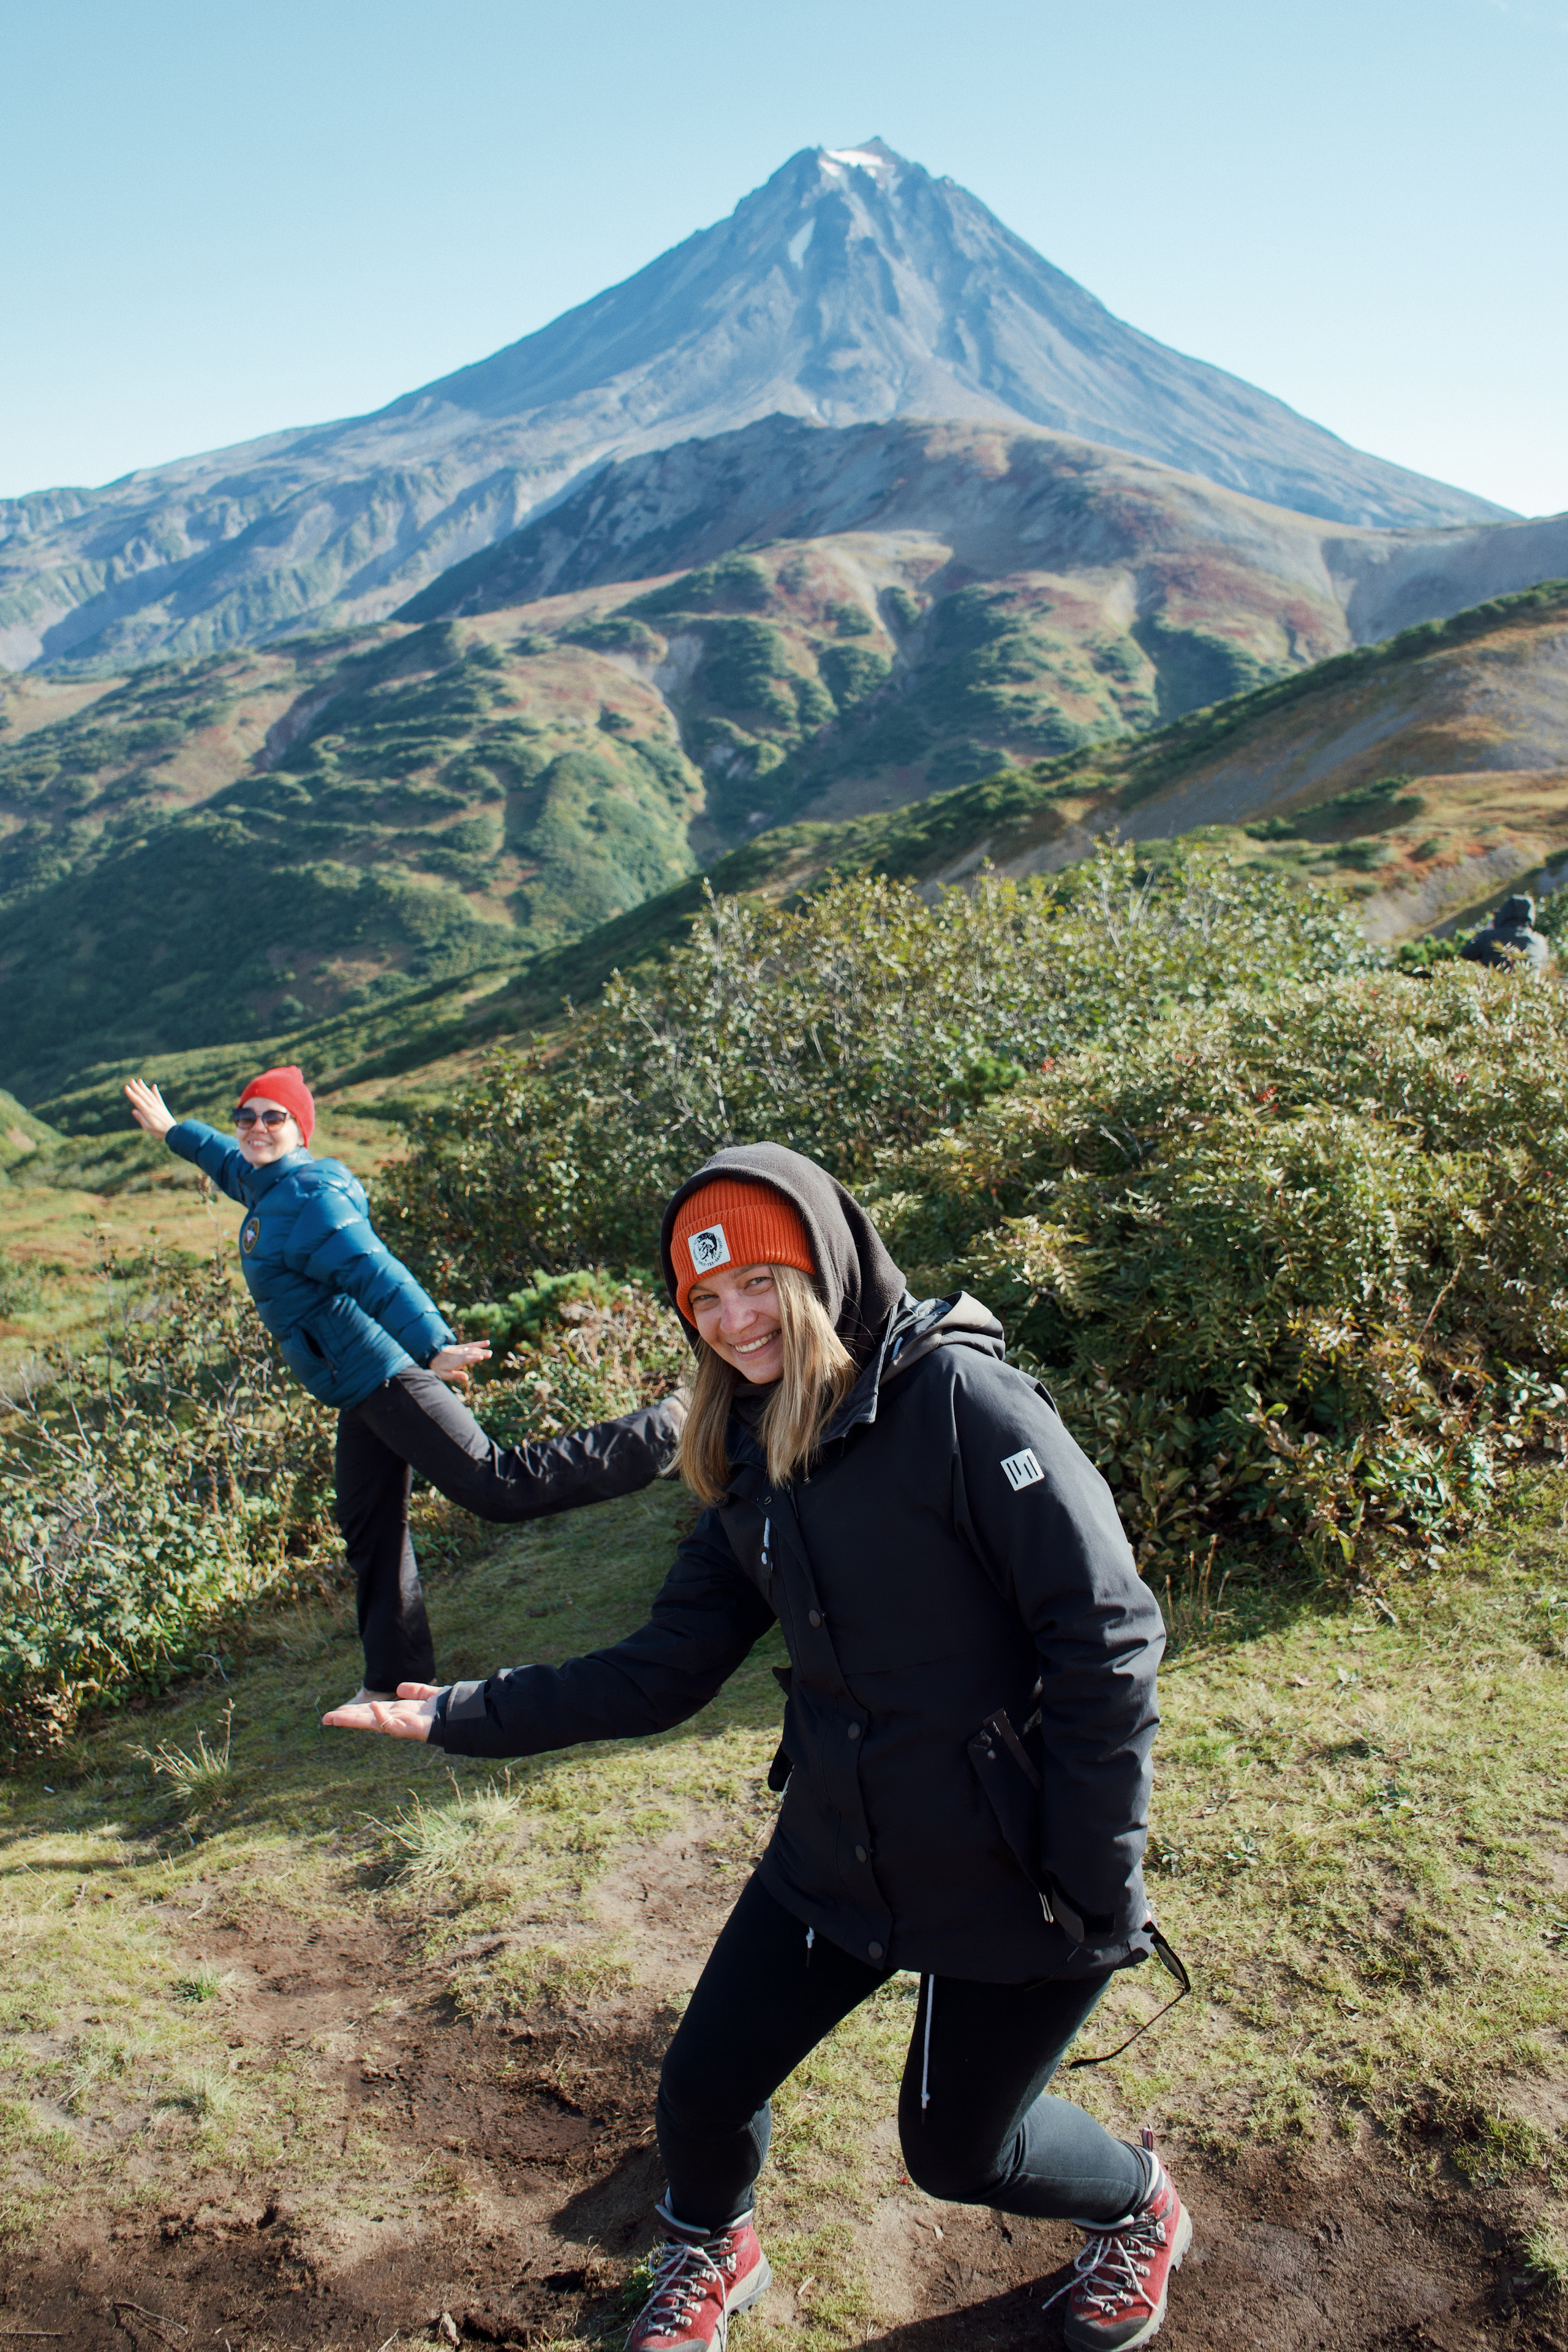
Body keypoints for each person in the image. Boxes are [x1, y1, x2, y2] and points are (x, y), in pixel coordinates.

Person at [323, 1143, 1188, 2352]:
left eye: (756, 1287)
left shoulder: (961, 1406)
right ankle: (709, 2244)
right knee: (702, 2089)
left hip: (1020, 1865)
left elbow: (1103, 1637)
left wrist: (1097, 1875)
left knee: (959, 2150)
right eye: (703, 1301)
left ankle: (1140, 2212)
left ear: (823, 1274)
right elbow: (664, 1667)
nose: (733, 1324)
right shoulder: (744, 1452)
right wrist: (459, 1710)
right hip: (837, 1843)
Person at [125, 1066, 685, 1706]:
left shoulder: (310, 1200)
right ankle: (396, 1685)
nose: (255, 1128)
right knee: (370, 1527)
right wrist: (173, 1130)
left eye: (272, 1117)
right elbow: (226, 1161)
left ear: (299, 1129)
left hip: (388, 1374)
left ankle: (666, 1432)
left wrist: (431, 1343)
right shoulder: (266, 1188)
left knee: (497, 1486)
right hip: (357, 1391)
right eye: (246, 1117)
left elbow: (373, 1270)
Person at [1460, 892, 1551, 973]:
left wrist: (1485, 932)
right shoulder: (1540, 940)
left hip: (1497, 989)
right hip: (1531, 989)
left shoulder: (1489, 936)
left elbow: (1464, 956)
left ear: (1504, 913)